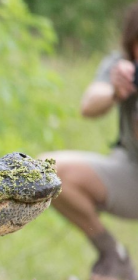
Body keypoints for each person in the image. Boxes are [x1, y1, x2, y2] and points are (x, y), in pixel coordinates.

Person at [40, 3, 138, 280]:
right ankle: (112, 255)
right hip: (132, 172)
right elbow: (89, 104)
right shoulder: (122, 66)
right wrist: (116, 92)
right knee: (49, 171)